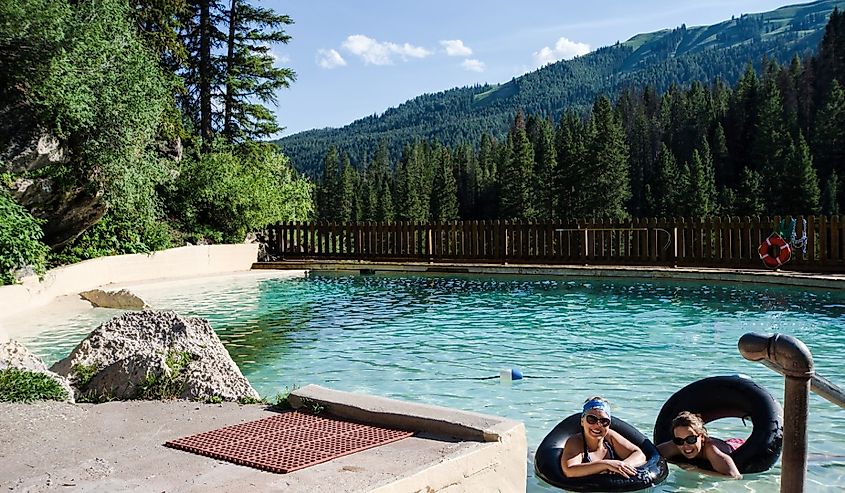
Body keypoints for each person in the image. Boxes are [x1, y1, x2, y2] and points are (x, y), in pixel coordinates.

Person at [560, 396, 647, 478]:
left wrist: (622, 466)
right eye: (591, 419)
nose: (597, 425)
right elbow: (569, 471)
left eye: (604, 421)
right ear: (582, 421)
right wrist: (606, 464)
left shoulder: (610, 437)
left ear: (609, 424)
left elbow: (639, 455)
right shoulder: (576, 441)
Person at [657, 411, 742, 479]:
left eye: (691, 439)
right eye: (679, 440)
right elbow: (650, 454)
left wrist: (697, 470)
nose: (685, 445)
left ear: (701, 437)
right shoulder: (676, 445)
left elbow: (734, 476)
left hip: (735, 445)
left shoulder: (711, 449)